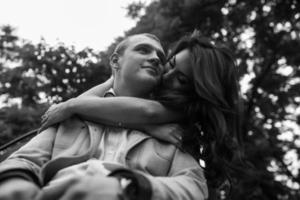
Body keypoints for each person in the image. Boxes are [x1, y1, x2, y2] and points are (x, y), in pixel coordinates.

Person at [0, 33, 208, 200]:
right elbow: (23, 161)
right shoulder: (73, 117)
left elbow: (193, 186)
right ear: (115, 61)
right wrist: (14, 183)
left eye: (161, 58)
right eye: (143, 50)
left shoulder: (174, 129)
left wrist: (131, 186)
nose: (155, 58)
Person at [40, 30, 244, 197]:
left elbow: (148, 113)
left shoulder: (185, 110)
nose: (167, 75)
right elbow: (90, 104)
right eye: (170, 64)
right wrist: (110, 81)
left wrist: (69, 107)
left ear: (198, 91)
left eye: (181, 80)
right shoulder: (150, 91)